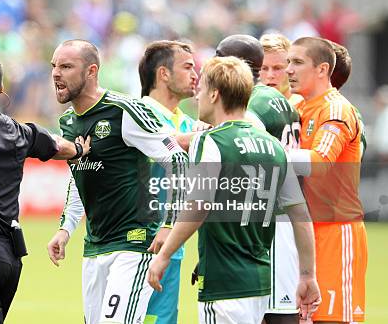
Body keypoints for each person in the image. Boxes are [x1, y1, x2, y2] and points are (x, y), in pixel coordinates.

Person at [147, 56, 321, 324]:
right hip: (261, 283)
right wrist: (308, 275)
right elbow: (301, 216)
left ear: (215, 94)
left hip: (224, 283)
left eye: (202, 89)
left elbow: (198, 205)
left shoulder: (211, 140)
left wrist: (164, 255)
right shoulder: (275, 147)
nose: (197, 97)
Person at [46, 39, 187, 324]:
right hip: (95, 245)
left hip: (133, 244)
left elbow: (177, 160)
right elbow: (80, 173)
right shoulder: (68, 121)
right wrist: (66, 227)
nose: (56, 73)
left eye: (66, 66)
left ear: (91, 71)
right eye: (54, 66)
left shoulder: (124, 110)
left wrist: (170, 224)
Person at [0, 53, 89, 324]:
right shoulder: (20, 131)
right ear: (1, 91)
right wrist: (81, 148)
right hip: (10, 256)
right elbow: (60, 146)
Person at [217, 34, 303, 323]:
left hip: (268, 224)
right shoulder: (279, 101)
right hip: (280, 216)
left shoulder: (256, 103)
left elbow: (242, 148)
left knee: (276, 313)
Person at [286, 37, 367, 323]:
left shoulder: (336, 109)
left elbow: (320, 162)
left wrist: (271, 153)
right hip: (303, 232)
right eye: (288, 63)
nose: (288, 70)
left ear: (322, 69)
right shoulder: (296, 107)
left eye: (297, 62)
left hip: (336, 230)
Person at [137, 40, 197, 324]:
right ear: (163, 74)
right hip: (136, 245)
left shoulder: (188, 123)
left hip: (173, 246)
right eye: (187, 67)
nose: (195, 75)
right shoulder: (136, 117)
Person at [260, 33, 304, 105]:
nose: (270, 75)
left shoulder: (304, 109)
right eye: (264, 68)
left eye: (277, 68)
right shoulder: (248, 105)